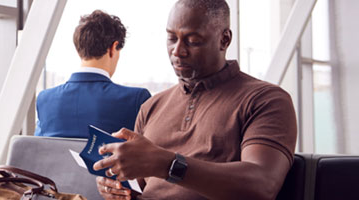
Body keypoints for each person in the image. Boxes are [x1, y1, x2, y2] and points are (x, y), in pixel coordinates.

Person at [94, 0, 297, 199]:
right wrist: (116, 187)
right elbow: (138, 186)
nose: (177, 51)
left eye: (193, 40)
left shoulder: (265, 100)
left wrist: (167, 164)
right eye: (172, 38)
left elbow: (262, 185)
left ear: (224, 40)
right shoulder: (152, 106)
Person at [34, 10, 151, 138]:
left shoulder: (45, 99)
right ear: (113, 48)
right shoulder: (136, 100)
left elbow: (40, 150)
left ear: (79, 49)